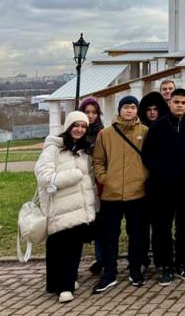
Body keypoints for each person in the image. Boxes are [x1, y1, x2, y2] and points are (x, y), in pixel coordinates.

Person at [142, 88, 185, 286]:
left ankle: (182, 263)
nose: (180, 105)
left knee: (183, 228)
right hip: (162, 188)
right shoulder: (158, 126)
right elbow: (148, 155)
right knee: (163, 228)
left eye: (183, 102)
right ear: (169, 103)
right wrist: (161, 173)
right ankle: (165, 266)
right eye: (176, 102)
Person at [35, 111, 98, 303]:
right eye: (75, 125)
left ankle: (67, 283)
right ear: (68, 127)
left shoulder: (84, 151)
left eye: (83, 126)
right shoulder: (53, 149)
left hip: (78, 208)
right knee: (57, 248)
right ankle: (58, 284)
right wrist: (73, 175)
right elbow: (44, 177)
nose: (79, 129)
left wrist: (93, 204)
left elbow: (90, 179)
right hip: (58, 208)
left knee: (74, 248)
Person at [92, 96, 149, 293]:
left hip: (137, 192)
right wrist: (104, 179)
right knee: (110, 236)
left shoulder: (144, 132)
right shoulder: (105, 134)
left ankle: (135, 271)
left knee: (136, 235)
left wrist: (143, 176)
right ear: (119, 110)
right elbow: (98, 160)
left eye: (133, 107)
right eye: (126, 107)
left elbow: (150, 158)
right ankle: (109, 273)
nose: (129, 111)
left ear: (137, 110)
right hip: (112, 193)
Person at [77, 97, 105, 276]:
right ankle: (72, 265)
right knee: (78, 225)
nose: (91, 116)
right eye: (87, 112)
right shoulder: (76, 133)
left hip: (98, 184)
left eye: (94, 112)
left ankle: (101, 260)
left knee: (101, 225)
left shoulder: (103, 133)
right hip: (79, 184)